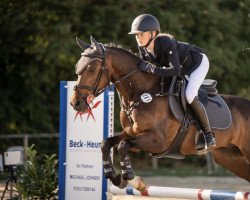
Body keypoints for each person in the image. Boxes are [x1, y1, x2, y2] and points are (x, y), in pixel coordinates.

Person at [128, 14, 216, 152]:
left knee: (189, 94)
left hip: (197, 64)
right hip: (181, 68)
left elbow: (175, 70)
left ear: (153, 33)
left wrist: (153, 69)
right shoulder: (143, 47)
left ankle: (208, 135)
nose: (138, 37)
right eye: (136, 35)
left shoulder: (165, 42)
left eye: (141, 34)